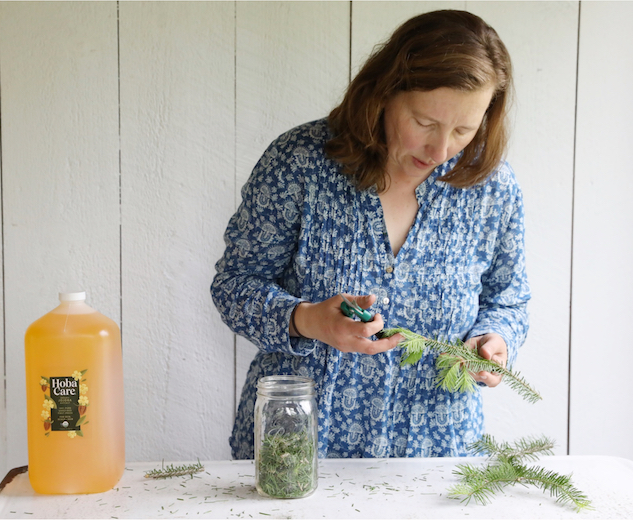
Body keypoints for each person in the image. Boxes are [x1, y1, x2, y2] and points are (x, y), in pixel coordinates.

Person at [211, 9, 530, 459]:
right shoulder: (301, 163)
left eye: (463, 129)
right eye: (424, 123)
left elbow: (508, 298)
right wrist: (307, 319)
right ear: (384, 94)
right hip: (299, 456)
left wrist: (493, 339)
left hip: (437, 459)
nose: (440, 150)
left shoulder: (492, 187)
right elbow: (233, 285)